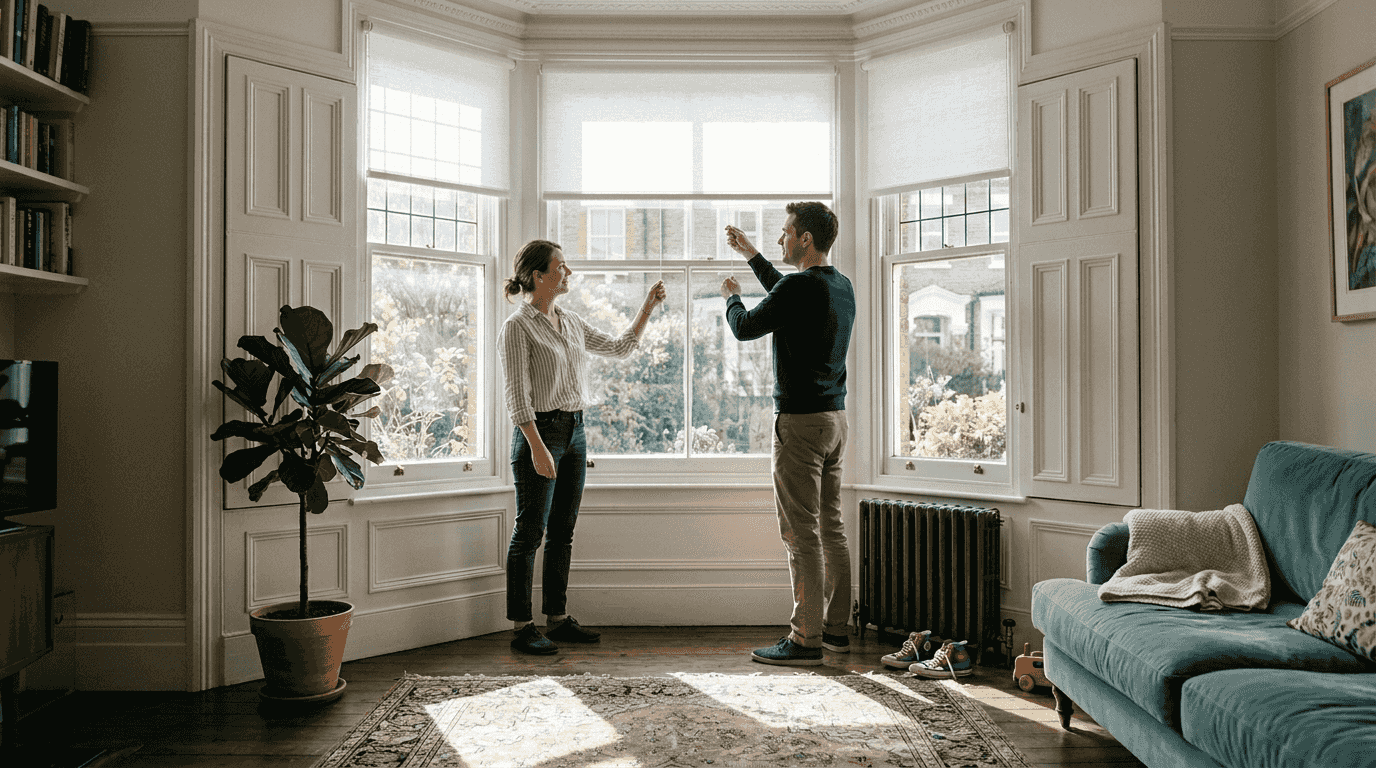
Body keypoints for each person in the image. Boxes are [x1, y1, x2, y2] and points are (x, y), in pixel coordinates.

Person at [498, 239, 667, 654]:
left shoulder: (570, 321)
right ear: (539, 276)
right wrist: (537, 448)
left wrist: (647, 308)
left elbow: (619, 348)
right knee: (530, 531)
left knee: (563, 531)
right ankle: (523, 626)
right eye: (562, 266)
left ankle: (555, 618)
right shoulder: (517, 327)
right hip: (539, 434)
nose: (568, 272)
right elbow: (518, 398)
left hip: (575, 432)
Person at [721, 202, 855, 666]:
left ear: (805, 240)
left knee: (801, 534)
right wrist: (754, 254)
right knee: (831, 527)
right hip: (835, 422)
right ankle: (837, 629)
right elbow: (788, 293)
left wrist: (731, 298)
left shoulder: (800, 287)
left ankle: (804, 638)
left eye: (784, 234)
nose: (781, 241)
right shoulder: (840, 286)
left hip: (799, 425)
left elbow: (746, 328)